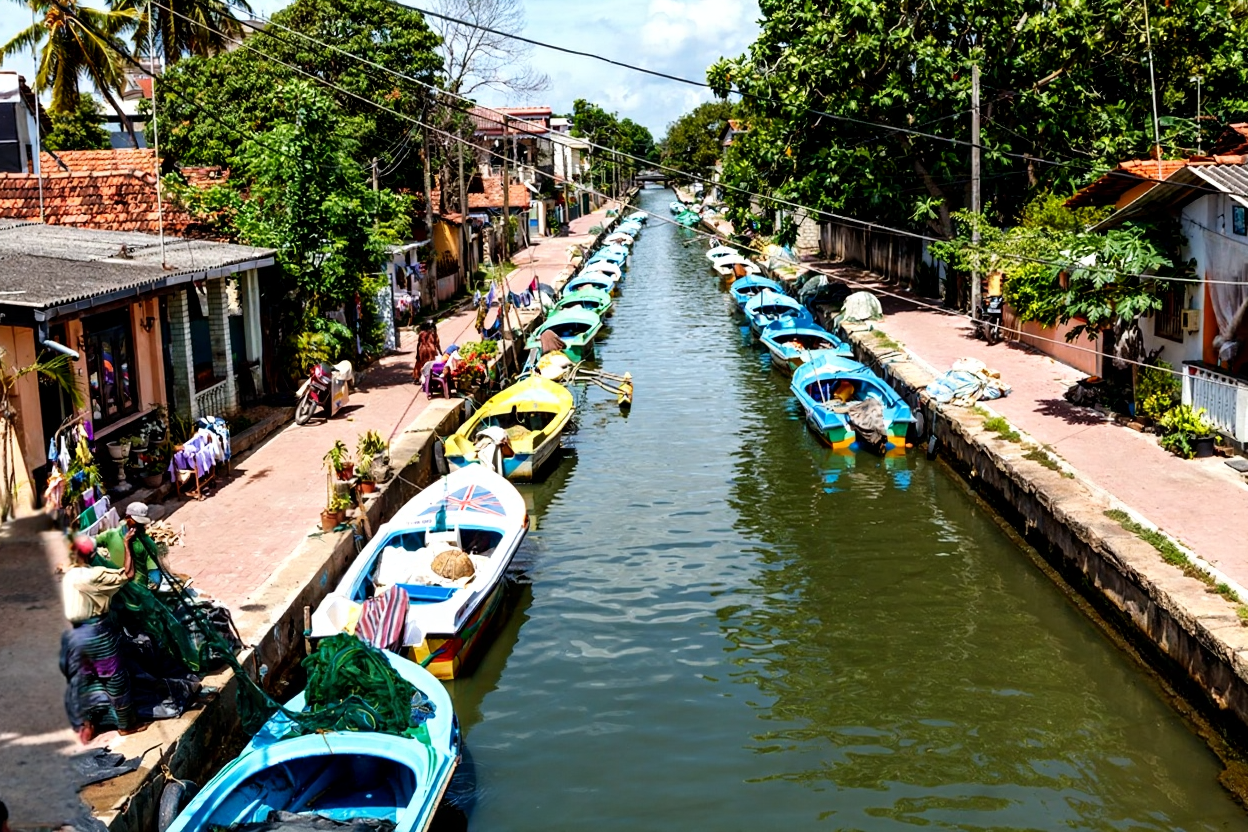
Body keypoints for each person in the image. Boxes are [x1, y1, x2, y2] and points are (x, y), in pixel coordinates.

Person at [60, 534, 138, 742]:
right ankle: (126, 726)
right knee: (114, 678)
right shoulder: (94, 575)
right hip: (97, 633)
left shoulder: (69, 576)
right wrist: (126, 544)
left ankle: (90, 725)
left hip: (75, 635)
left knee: (85, 679)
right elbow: (127, 574)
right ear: (92, 554)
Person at [95, 502, 161, 587]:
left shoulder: (147, 543)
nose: (138, 525)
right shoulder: (111, 535)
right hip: (115, 584)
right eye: (136, 521)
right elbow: (89, 544)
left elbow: (153, 570)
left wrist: (154, 579)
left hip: (137, 587)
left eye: (141, 523)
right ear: (127, 517)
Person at [413, 320, 442, 385]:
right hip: (431, 351)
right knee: (431, 364)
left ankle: (418, 378)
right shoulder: (434, 334)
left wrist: (417, 353)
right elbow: (437, 344)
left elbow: (418, 344)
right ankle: (431, 378)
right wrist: (440, 352)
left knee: (421, 364)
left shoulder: (421, 333)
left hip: (422, 350)